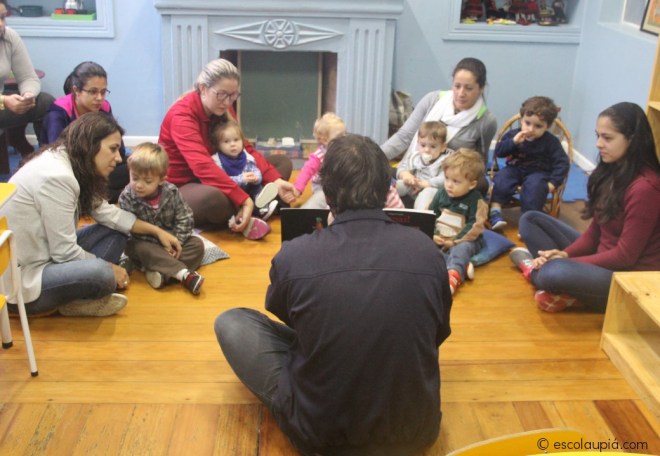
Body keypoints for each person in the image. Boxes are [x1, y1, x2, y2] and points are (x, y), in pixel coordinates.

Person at [215, 134, 452, 456]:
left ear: (326, 192)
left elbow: (289, 316)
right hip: (415, 435)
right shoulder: (427, 251)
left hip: (320, 437)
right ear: (387, 189)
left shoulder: (294, 255)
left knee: (232, 322)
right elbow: (436, 333)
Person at [0, 112, 182, 317]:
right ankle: (63, 301)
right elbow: (64, 252)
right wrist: (109, 267)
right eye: (113, 149)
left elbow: (110, 215)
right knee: (101, 274)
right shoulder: (57, 177)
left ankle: (73, 299)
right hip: (23, 281)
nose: (118, 158)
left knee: (116, 232)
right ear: (89, 144)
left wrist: (157, 231)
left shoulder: (71, 161)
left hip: (46, 254)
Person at [510, 102, 660, 313]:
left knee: (553, 272)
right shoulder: (611, 171)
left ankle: (535, 270)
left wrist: (570, 262)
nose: (598, 144)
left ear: (632, 140)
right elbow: (595, 233)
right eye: (598, 136)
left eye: (607, 138)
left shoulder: (646, 187)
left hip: (627, 277)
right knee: (530, 220)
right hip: (603, 258)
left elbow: (625, 256)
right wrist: (565, 255)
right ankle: (564, 286)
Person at [159, 58, 296, 232]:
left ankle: (249, 208)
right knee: (212, 199)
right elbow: (203, 167)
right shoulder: (182, 117)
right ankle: (255, 205)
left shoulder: (223, 106)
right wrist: (243, 199)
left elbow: (245, 148)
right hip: (188, 185)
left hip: (227, 171)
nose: (227, 102)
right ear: (203, 88)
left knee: (282, 163)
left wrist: (276, 180)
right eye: (222, 94)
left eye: (233, 96)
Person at [381, 57, 497, 195]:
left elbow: (479, 164)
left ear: (481, 88)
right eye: (457, 86)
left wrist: (444, 181)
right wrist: (373, 157)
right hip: (413, 170)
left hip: (448, 181)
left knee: (481, 185)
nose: (461, 93)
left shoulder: (486, 121)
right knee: (376, 171)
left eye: (469, 88)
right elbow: (404, 137)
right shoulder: (432, 100)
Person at [118, 143, 205, 295]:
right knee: (138, 248)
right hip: (144, 243)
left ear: (161, 180)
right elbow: (129, 227)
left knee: (197, 245)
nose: (139, 185)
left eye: (147, 181)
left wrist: (177, 243)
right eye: (135, 178)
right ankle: (184, 275)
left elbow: (185, 217)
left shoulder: (172, 192)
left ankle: (160, 273)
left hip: (170, 240)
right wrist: (160, 245)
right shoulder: (127, 197)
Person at [39, 61, 128, 203]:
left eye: (103, 92)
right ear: (76, 90)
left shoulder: (104, 107)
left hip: (96, 165)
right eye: (93, 92)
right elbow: (57, 156)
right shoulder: (59, 112)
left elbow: (119, 150)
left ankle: (103, 194)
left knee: (138, 167)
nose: (99, 98)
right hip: (70, 170)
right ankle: (107, 195)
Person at [489, 96, 569, 230]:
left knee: (536, 187)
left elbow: (562, 163)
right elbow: (499, 151)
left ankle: (529, 221)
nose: (531, 129)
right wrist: (513, 142)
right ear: (521, 119)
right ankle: (495, 211)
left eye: (538, 126)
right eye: (527, 123)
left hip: (538, 172)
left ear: (547, 126)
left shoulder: (551, 142)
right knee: (501, 178)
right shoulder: (514, 135)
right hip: (515, 168)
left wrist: (553, 182)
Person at [430, 148, 488, 295]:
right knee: (424, 246)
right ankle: (463, 263)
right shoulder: (441, 193)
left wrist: (455, 241)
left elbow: (474, 227)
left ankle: (454, 274)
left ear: (471, 184)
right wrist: (433, 234)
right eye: (447, 178)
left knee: (463, 249)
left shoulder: (476, 201)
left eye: (456, 181)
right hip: (441, 237)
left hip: (464, 239)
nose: (449, 184)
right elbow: (431, 215)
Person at [0, 0, 54, 157]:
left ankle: (48, 159)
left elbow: (28, 77)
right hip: (2, 103)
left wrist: (28, 95)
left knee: (45, 102)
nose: (1, 24)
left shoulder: (9, 37)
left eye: (2, 17)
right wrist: (4, 101)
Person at [209, 119, 278, 240]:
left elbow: (255, 170)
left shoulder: (246, 156)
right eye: (226, 141)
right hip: (232, 195)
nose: (233, 144)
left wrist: (256, 177)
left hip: (248, 191)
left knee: (258, 187)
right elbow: (222, 181)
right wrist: (242, 178)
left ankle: (261, 206)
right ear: (218, 145)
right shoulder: (217, 161)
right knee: (224, 199)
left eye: (236, 140)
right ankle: (256, 212)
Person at [396, 120, 455, 210]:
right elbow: (402, 166)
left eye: (433, 146)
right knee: (399, 184)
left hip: (431, 189)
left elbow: (445, 178)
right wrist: (406, 175)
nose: (427, 150)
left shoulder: (445, 161)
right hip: (413, 184)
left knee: (428, 193)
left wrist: (426, 183)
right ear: (418, 143)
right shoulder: (415, 157)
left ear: (443, 147)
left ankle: (420, 213)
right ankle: (384, 199)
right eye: (423, 145)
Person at [292, 112, 346, 209]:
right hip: (322, 188)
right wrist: (298, 188)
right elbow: (306, 171)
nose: (344, 138)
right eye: (339, 136)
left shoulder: (344, 150)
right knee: (322, 202)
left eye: (344, 134)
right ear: (324, 140)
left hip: (339, 186)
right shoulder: (319, 156)